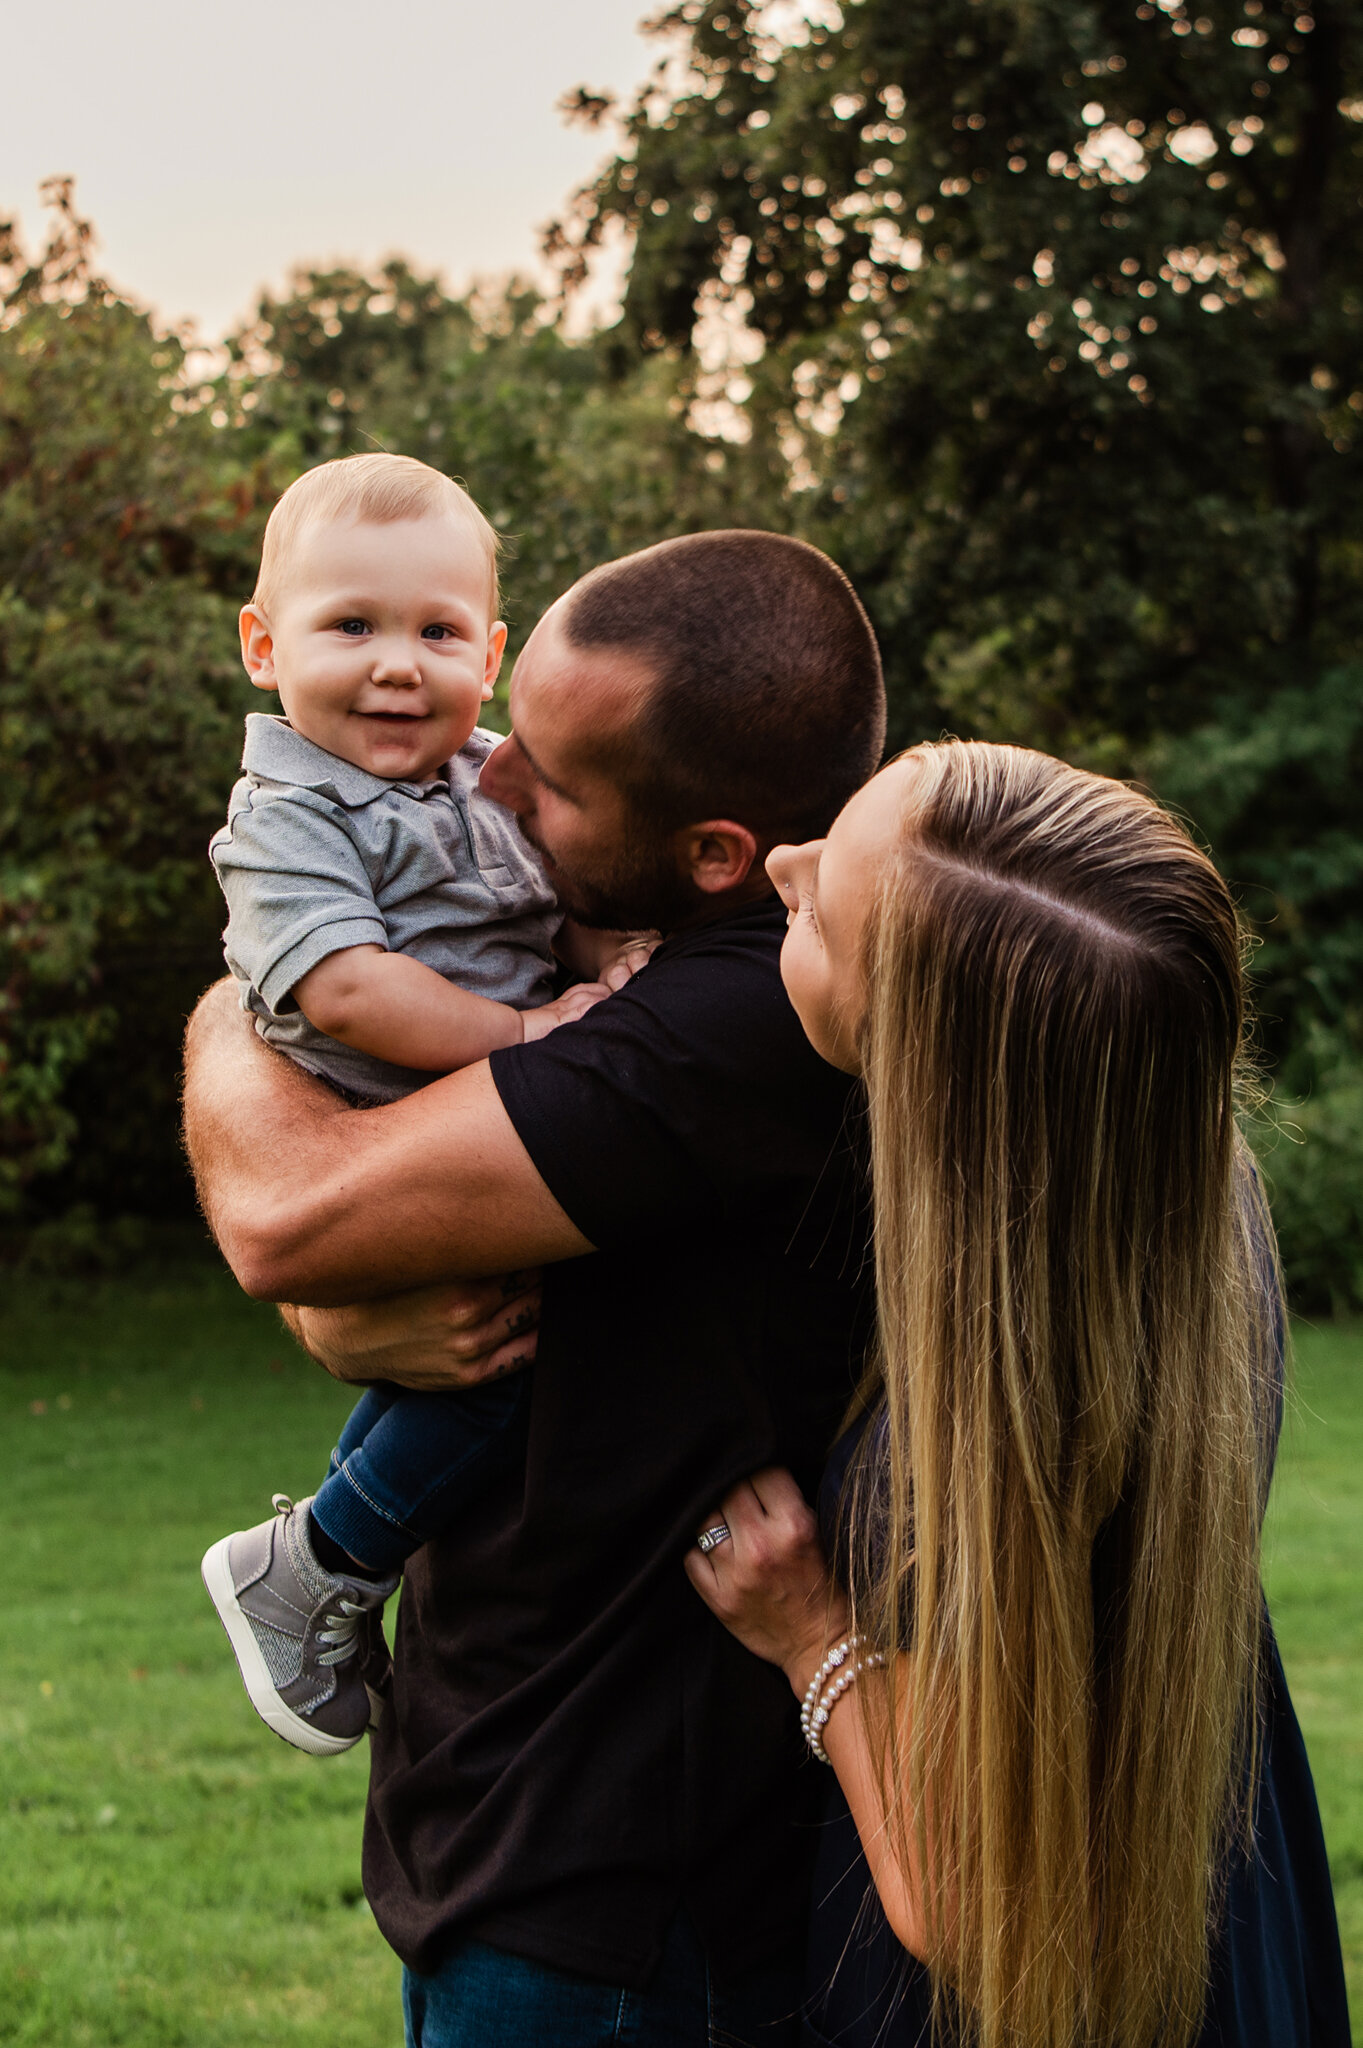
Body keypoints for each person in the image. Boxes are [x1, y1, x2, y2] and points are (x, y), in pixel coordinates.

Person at [182, 528, 888, 2046]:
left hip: (612, 1885)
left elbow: (285, 1221)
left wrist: (252, 1010)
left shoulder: (736, 1016)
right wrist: (279, 979)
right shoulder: (666, 955)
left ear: (712, 849)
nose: (485, 778)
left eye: (553, 781)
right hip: (529, 1832)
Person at [686, 741, 1352, 2047]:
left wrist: (812, 1632)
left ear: (926, 1084)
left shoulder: (968, 1448)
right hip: (1224, 1896)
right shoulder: (1199, 1193)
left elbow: (977, 1907)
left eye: (822, 910)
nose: (783, 864)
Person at [200, 452, 636, 1759]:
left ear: (492, 653)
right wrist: (522, 1033)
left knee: (496, 1346)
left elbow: (562, 894)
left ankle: (329, 1551)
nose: (400, 664)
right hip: (376, 1119)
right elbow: (345, 989)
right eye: (352, 627)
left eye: (438, 632)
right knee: (499, 1362)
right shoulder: (286, 812)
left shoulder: (491, 775)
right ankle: (324, 1557)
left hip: (470, 1105)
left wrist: (611, 958)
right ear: (263, 647)